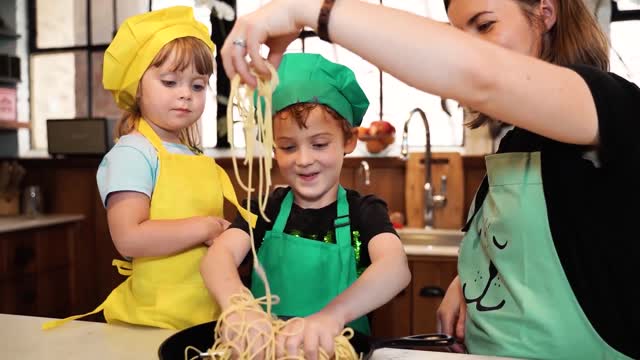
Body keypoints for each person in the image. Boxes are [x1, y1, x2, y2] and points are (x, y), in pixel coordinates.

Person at [217, 0, 639, 359]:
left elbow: (483, 75)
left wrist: (306, 10)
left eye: (485, 25)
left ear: (545, 12)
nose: (468, 49)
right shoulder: (515, 146)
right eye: (456, 35)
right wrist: (469, 279)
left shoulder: (612, 105)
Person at [43, 6, 254, 331]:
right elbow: (129, 237)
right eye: (170, 82)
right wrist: (207, 228)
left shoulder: (192, 153)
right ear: (137, 86)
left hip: (203, 318)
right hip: (153, 322)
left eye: (197, 86)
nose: (185, 94)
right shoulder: (133, 152)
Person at [200, 52, 411, 359]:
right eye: (288, 147)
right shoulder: (263, 209)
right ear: (274, 147)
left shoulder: (363, 212)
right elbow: (217, 258)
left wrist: (331, 317)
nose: (304, 160)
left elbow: (395, 268)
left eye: (320, 144)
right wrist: (237, 305)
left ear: (348, 141)